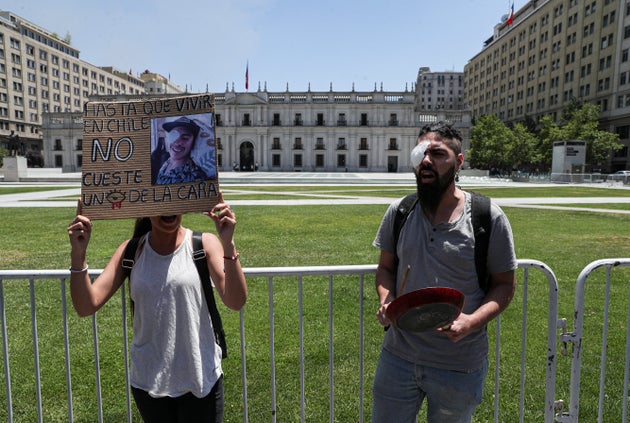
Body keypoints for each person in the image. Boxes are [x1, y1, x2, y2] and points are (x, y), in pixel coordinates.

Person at [371, 121, 517, 423]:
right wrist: (387, 299)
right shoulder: (399, 211)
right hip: (398, 357)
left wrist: (472, 322)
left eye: (437, 154)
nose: (426, 160)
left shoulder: (487, 217)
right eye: (421, 153)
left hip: (459, 364)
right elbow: (386, 269)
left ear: (459, 161)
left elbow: (504, 285)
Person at [67, 192, 247, 423]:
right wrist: (78, 254)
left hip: (201, 378)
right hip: (149, 382)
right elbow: (85, 306)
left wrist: (228, 245)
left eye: (174, 198)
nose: (168, 208)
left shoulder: (203, 244)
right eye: (159, 200)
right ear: (145, 204)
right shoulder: (131, 250)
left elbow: (236, 301)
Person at [156, 117, 209, 185]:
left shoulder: (194, 177)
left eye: (185, 138)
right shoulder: (166, 162)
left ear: (194, 143)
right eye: (174, 135)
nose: (177, 142)